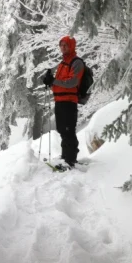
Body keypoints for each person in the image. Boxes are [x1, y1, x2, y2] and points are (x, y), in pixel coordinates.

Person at [42, 36, 84, 170]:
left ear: (71, 46)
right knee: (62, 130)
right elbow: (59, 83)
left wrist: (54, 81)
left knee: (68, 130)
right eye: (61, 45)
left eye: (65, 45)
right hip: (59, 101)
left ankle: (70, 159)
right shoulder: (62, 63)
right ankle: (65, 156)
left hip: (69, 102)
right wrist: (50, 81)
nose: (63, 48)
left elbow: (72, 82)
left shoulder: (76, 63)